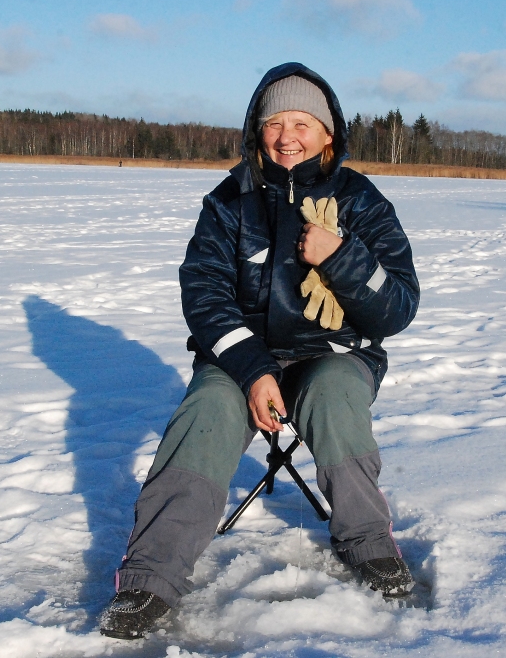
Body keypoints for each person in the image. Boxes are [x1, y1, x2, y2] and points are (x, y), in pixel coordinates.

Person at [98, 63, 421, 640]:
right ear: (257, 130)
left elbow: (396, 308)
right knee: (206, 413)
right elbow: (203, 295)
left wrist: (341, 258)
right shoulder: (228, 203)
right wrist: (251, 370)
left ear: (329, 134)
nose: (287, 135)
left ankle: (369, 543)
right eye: (275, 121)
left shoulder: (362, 202)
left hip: (334, 353)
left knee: (336, 395)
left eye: (302, 121)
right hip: (242, 357)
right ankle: (150, 578)